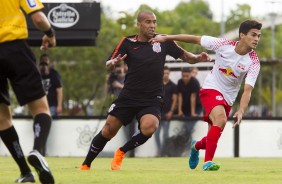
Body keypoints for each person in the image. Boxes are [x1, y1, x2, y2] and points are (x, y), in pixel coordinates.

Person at [79, 10, 211, 171]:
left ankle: (121, 152)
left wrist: (197, 58)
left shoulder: (163, 41)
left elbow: (185, 56)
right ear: (139, 24)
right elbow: (108, 64)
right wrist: (113, 62)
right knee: (108, 130)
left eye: (154, 22)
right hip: (128, 96)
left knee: (150, 126)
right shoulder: (127, 42)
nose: (153, 25)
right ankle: (86, 164)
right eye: (148, 22)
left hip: (152, 97)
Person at [151, 19, 262, 171]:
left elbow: (248, 89)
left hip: (228, 98)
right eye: (253, 35)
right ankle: (207, 162)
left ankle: (196, 146)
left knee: (212, 136)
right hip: (211, 88)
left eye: (258, 36)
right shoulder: (223, 44)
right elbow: (194, 39)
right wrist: (166, 37)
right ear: (242, 35)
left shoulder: (254, 62)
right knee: (221, 119)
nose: (256, 39)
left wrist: (241, 110)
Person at [0, 0, 56, 183]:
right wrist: (50, 33)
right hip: (15, 49)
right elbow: (39, 18)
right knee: (41, 109)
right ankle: (38, 151)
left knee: (2, 119)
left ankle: (26, 172)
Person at [154, 66, 177, 156]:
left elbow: (175, 99)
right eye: (164, 73)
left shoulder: (173, 86)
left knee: (165, 135)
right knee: (156, 134)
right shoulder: (157, 85)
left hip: (167, 114)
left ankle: (163, 151)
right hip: (157, 113)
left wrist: (171, 111)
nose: (166, 75)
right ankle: (159, 150)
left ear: (169, 74)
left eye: (167, 73)